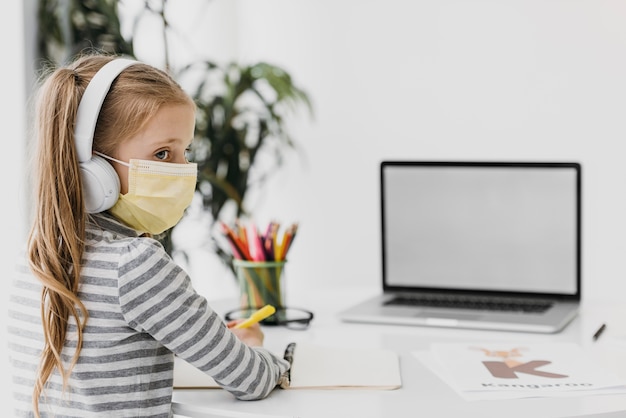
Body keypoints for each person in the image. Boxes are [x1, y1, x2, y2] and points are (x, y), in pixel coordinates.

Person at [8, 53, 289, 417]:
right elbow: (249, 378)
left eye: (184, 151)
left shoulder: (36, 254)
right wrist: (259, 351)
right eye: (162, 153)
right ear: (93, 167)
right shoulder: (136, 265)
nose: (183, 171)